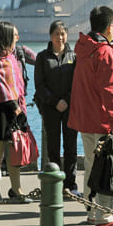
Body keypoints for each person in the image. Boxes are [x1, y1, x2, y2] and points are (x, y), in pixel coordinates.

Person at [68, 6, 113, 226]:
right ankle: (104, 216)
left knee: (91, 164)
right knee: (106, 168)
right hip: (104, 119)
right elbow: (111, 90)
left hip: (85, 118)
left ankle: (92, 210)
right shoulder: (104, 52)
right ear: (111, 26)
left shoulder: (84, 48)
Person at [0, 21, 33, 204]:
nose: (16, 39)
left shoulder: (10, 57)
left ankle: (17, 189)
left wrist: (19, 107)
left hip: (14, 108)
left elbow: (16, 85)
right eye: (14, 36)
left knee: (14, 149)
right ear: (5, 37)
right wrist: (15, 107)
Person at [34, 21, 78, 194]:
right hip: (50, 108)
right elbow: (39, 84)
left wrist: (66, 100)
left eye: (63, 34)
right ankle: (55, 183)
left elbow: (77, 82)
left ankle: (71, 185)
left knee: (71, 147)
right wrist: (54, 101)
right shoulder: (42, 57)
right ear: (50, 35)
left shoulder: (74, 56)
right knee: (53, 147)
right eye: (56, 34)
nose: (60, 37)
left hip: (69, 107)